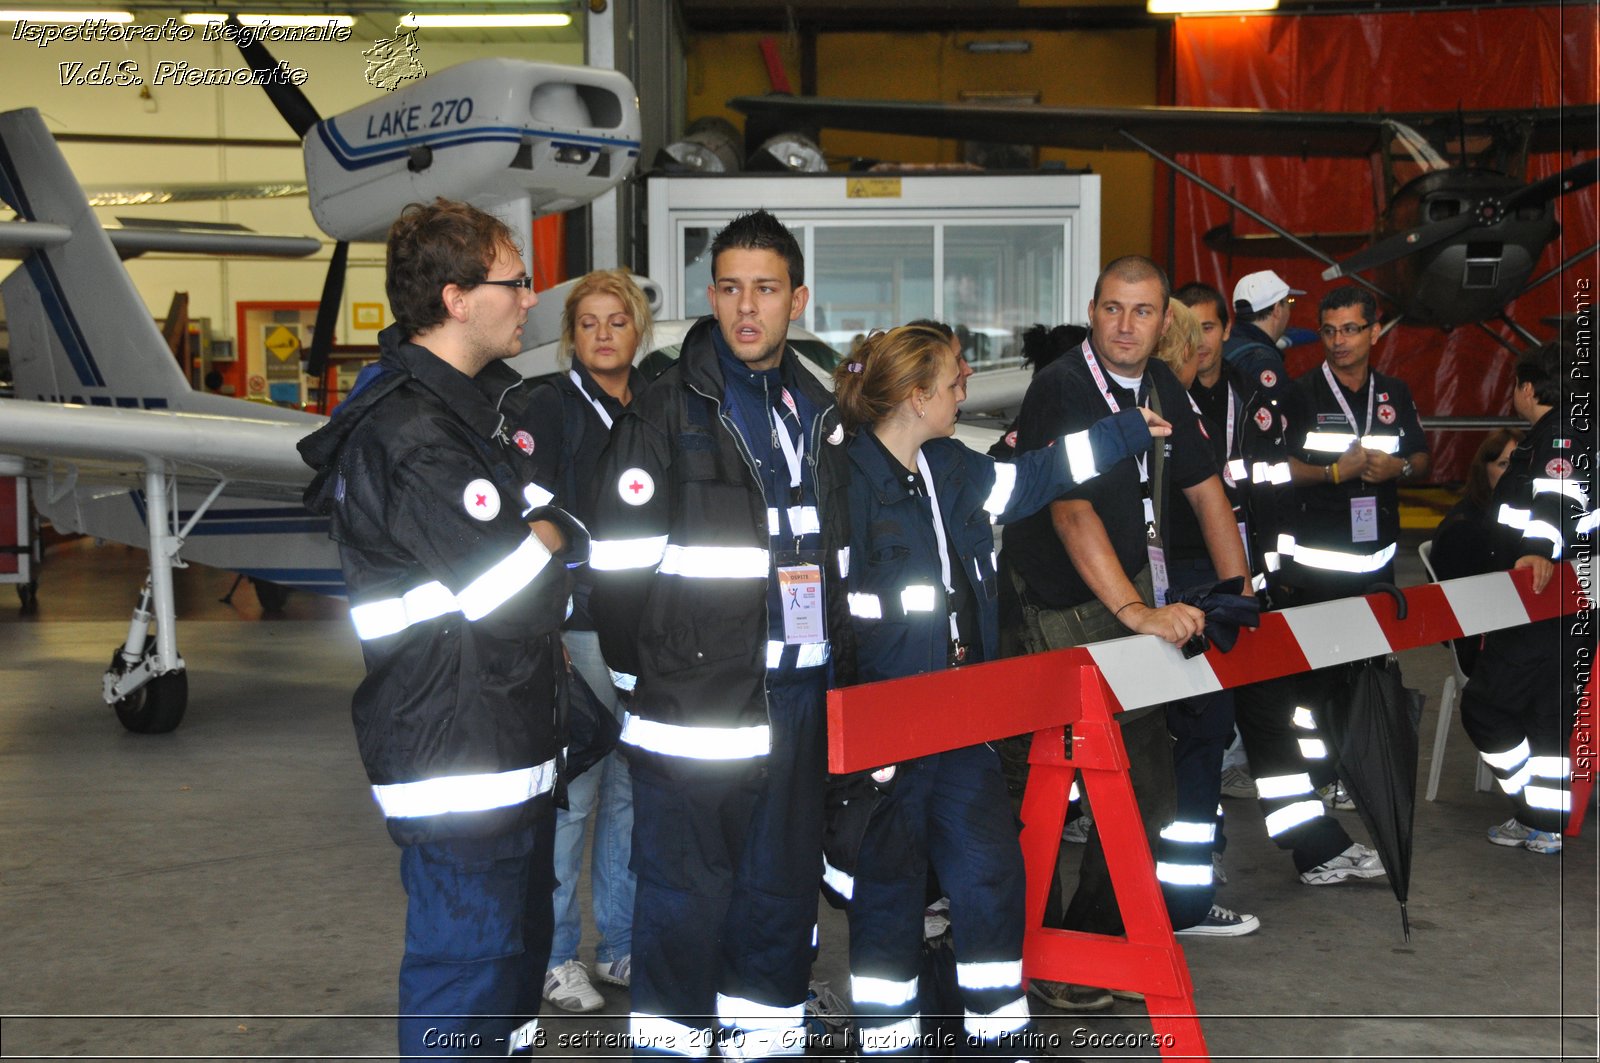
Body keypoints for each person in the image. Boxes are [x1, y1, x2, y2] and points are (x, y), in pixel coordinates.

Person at [298, 198, 588, 1057]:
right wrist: (544, 543)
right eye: (515, 280)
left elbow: (557, 524)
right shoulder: (416, 434)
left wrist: (545, 539)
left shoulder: (469, 412)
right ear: (457, 298)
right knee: (466, 979)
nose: (531, 297)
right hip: (463, 762)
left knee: (509, 978)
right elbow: (527, 596)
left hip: (504, 746)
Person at [831, 324, 1166, 1056]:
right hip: (886, 734)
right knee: (887, 899)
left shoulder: (951, 466)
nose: (966, 386)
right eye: (954, 379)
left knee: (991, 884)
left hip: (964, 723)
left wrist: (1125, 431)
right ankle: (887, 1042)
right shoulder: (843, 486)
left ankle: (998, 1038)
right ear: (916, 395)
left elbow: (1042, 473)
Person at [586, 209, 849, 1059]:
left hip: (798, 699)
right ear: (711, 295)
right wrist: (649, 680)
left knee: (778, 895)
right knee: (683, 901)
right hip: (693, 709)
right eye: (731, 288)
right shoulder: (668, 409)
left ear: (796, 299)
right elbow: (617, 575)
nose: (747, 308)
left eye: (766, 289)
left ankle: (763, 1043)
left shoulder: (822, 407)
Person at [999, 255, 1251, 1010]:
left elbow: (1207, 487)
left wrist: (1239, 590)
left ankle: (1093, 945)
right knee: (1027, 794)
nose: (1125, 326)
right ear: (1092, 307)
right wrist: (1138, 615)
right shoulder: (1063, 387)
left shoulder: (1162, 383)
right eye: (1112, 309)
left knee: (1144, 790)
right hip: (1048, 614)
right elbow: (1070, 511)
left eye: (1142, 312)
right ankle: (1024, 948)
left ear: (1162, 318)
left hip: (1121, 606)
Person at [528, 269, 652, 1013]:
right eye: (588, 323)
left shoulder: (660, 407)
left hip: (647, 631)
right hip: (579, 629)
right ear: (570, 336)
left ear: (639, 331)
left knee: (633, 796)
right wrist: (549, 632)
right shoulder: (549, 407)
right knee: (573, 800)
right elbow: (535, 526)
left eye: (617, 321)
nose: (604, 334)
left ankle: (621, 944)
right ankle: (553, 958)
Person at [1282, 284, 1430, 832]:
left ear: (1373, 331)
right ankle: (1312, 771)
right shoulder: (1299, 394)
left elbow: (1419, 453)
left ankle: (1352, 769)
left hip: (1379, 567)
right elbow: (1276, 469)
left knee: (1367, 676)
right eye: (1329, 330)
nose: (1339, 341)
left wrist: (1403, 471)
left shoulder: (1394, 391)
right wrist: (1330, 473)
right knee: (1311, 682)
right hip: (1316, 569)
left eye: (1350, 329)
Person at [1150, 298, 1261, 937]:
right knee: (1197, 753)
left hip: (1159, 604)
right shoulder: (1179, 421)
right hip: (1193, 609)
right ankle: (1185, 903)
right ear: (1190, 354)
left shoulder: (1133, 416)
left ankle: (1164, 893)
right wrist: (1238, 595)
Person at [1462, 344, 1593, 854]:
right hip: (1570, 602)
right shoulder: (1578, 428)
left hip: (1541, 600)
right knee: (1547, 718)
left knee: (1485, 707)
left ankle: (1533, 809)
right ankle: (1546, 823)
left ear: (1528, 388)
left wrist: (1537, 550)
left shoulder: (1558, 434)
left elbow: (1558, 496)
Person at [1429, 429, 1521, 676]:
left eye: (1520, 463)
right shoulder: (1464, 527)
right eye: (1503, 464)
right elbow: (1458, 609)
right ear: (1484, 470)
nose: (1513, 471)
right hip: (1482, 645)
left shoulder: (1517, 516)